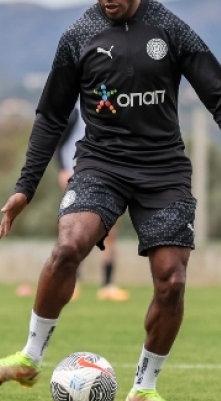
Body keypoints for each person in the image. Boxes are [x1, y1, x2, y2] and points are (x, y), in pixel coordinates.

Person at [0, 0, 221, 400]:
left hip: (163, 169)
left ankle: (144, 389)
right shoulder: (78, 36)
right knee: (68, 246)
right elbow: (51, 117)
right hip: (101, 164)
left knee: (172, 281)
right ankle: (29, 358)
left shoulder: (169, 29)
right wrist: (25, 187)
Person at [56, 103, 130, 302]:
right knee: (77, 231)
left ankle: (107, 285)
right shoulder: (76, 112)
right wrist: (62, 170)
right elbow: (59, 142)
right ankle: (73, 282)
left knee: (110, 231)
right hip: (77, 175)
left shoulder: (115, 110)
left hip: (108, 174)